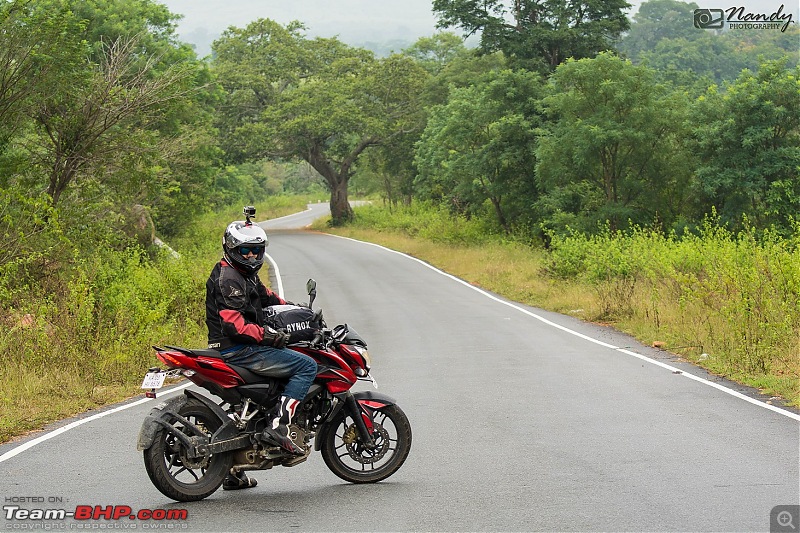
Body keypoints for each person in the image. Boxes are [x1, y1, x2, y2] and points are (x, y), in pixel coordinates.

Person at [205, 209, 318, 490]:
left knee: (244, 407)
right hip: (238, 349)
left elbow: (269, 299)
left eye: (257, 251)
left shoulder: (244, 275)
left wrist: (298, 311)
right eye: (246, 250)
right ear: (232, 248)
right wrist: (270, 336)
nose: (252, 256)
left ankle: (232, 472)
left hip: (234, 347)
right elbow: (235, 325)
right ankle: (278, 427)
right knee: (306, 366)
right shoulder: (229, 278)